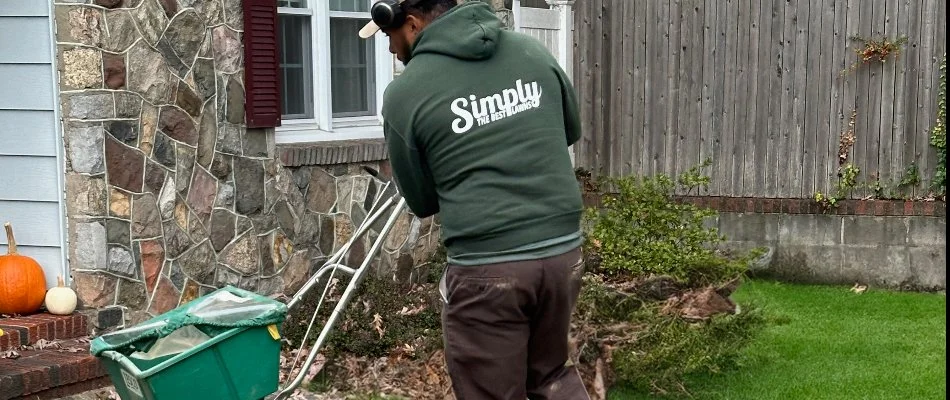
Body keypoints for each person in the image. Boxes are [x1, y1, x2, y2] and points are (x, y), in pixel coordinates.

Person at [359, 0, 590, 398]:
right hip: (562, 256)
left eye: (387, 35)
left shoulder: (405, 94)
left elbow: (423, 201)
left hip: (489, 271)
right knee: (551, 377)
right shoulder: (531, 51)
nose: (389, 49)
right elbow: (568, 129)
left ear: (411, 24)